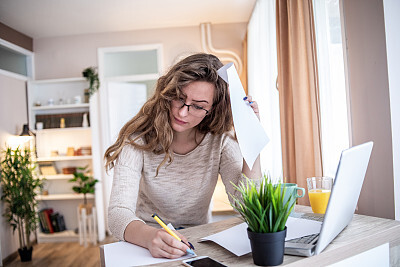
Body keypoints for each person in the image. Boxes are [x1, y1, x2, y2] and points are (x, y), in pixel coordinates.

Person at [104, 53, 261, 259]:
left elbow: (248, 208)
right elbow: (117, 214)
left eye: (197, 106)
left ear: (212, 109)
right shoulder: (139, 139)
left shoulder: (220, 139)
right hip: (143, 240)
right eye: (179, 98)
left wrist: (252, 141)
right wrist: (150, 236)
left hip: (195, 241)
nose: (182, 112)